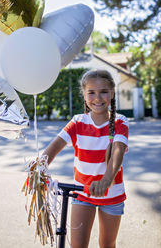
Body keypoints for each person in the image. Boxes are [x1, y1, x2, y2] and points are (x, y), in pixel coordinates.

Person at [42, 69, 129, 248]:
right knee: (77, 245)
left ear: (112, 93)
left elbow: (118, 152)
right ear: (84, 94)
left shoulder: (120, 122)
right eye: (91, 92)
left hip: (112, 194)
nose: (97, 98)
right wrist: (39, 167)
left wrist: (106, 181)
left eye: (103, 92)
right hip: (82, 193)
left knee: (107, 244)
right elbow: (55, 146)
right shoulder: (77, 122)